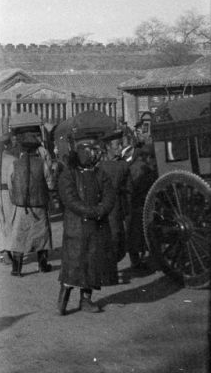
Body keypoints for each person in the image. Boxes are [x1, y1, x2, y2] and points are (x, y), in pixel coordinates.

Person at [54, 130, 119, 314]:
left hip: (96, 227)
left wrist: (100, 210)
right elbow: (70, 200)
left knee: (92, 264)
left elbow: (109, 196)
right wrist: (91, 211)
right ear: (80, 151)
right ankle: (63, 300)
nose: (94, 154)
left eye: (95, 150)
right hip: (76, 228)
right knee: (73, 265)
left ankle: (86, 300)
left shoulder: (101, 174)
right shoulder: (68, 175)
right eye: (90, 150)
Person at [0, 124, 55, 275]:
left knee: (19, 236)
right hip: (39, 205)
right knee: (42, 235)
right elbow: (51, 184)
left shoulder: (15, 164)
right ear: (36, 149)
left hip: (20, 206)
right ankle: (42, 265)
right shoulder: (42, 164)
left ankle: (17, 269)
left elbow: (10, 184)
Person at [99, 131, 134, 275]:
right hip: (114, 206)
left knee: (109, 236)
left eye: (120, 144)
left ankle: (107, 268)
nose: (120, 148)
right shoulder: (123, 166)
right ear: (108, 147)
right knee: (115, 236)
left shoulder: (99, 165)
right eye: (117, 145)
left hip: (104, 207)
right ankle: (110, 269)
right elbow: (130, 189)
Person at [124, 134, 158, 276]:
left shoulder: (137, 167)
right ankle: (136, 262)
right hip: (139, 205)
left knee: (136, 234)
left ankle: (137, 260)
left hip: (138, 204)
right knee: (137, 234)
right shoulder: (141, 168)